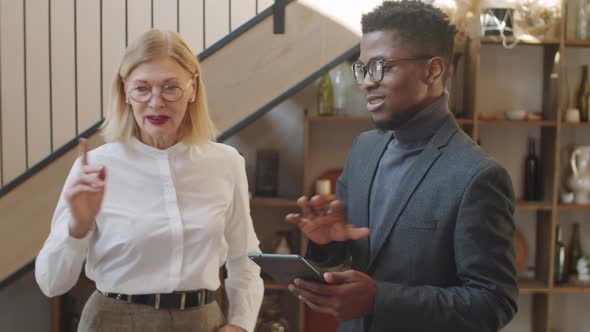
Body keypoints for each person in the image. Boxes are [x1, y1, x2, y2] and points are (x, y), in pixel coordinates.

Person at [286, 1, 518, 331]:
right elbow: (352, 261)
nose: (367, 82)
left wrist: (379, 299)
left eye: (382, 66)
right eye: (363, 69)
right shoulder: (363, 149)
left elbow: (494, 303)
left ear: (433, 70)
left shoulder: (478, 176)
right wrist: (326, 244)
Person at [35, 29, 263, 332]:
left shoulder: (226, 162)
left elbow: (244, 259)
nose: (156, 102)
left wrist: (241, 324)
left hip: (202, 322)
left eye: (171, 88)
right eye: (142, 89)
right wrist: (76, 228)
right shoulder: (94, 168)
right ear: (125, 92)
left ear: (193, 88)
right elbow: (52, 283)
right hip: (112, 322)